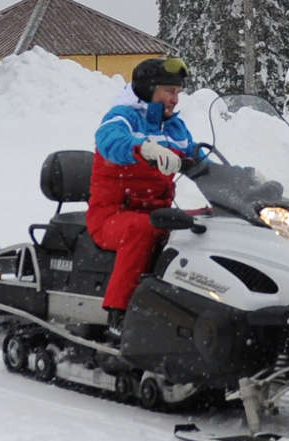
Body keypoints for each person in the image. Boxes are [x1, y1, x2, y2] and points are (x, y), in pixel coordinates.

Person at [87, 57, 196, 344]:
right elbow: (109, 142)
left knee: (203, 225)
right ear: (149, 89)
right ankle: (119, 315)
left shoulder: (174, 128)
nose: (175, 99)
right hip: (111, 215)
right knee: (141, 230)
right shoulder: (121, 117)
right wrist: (142, 149)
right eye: (169, 91)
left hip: (158, 212)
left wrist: (240, 178)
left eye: (177, 92)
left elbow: (199, 158)